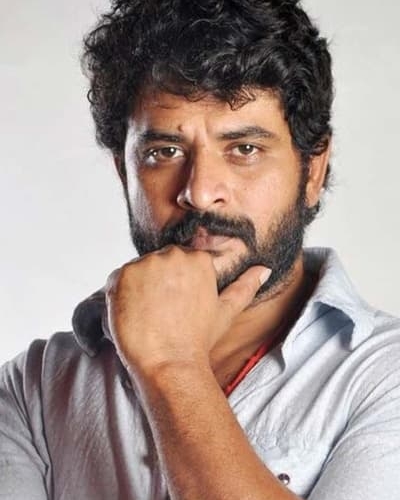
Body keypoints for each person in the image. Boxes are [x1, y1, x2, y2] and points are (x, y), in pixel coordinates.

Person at [1, 0, 400, 499]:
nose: (200, 191)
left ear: (313, 171)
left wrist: (173, 367)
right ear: (125, 173)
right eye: (164, 152)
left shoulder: (384, 377)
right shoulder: (35, 387)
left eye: (245, 149)